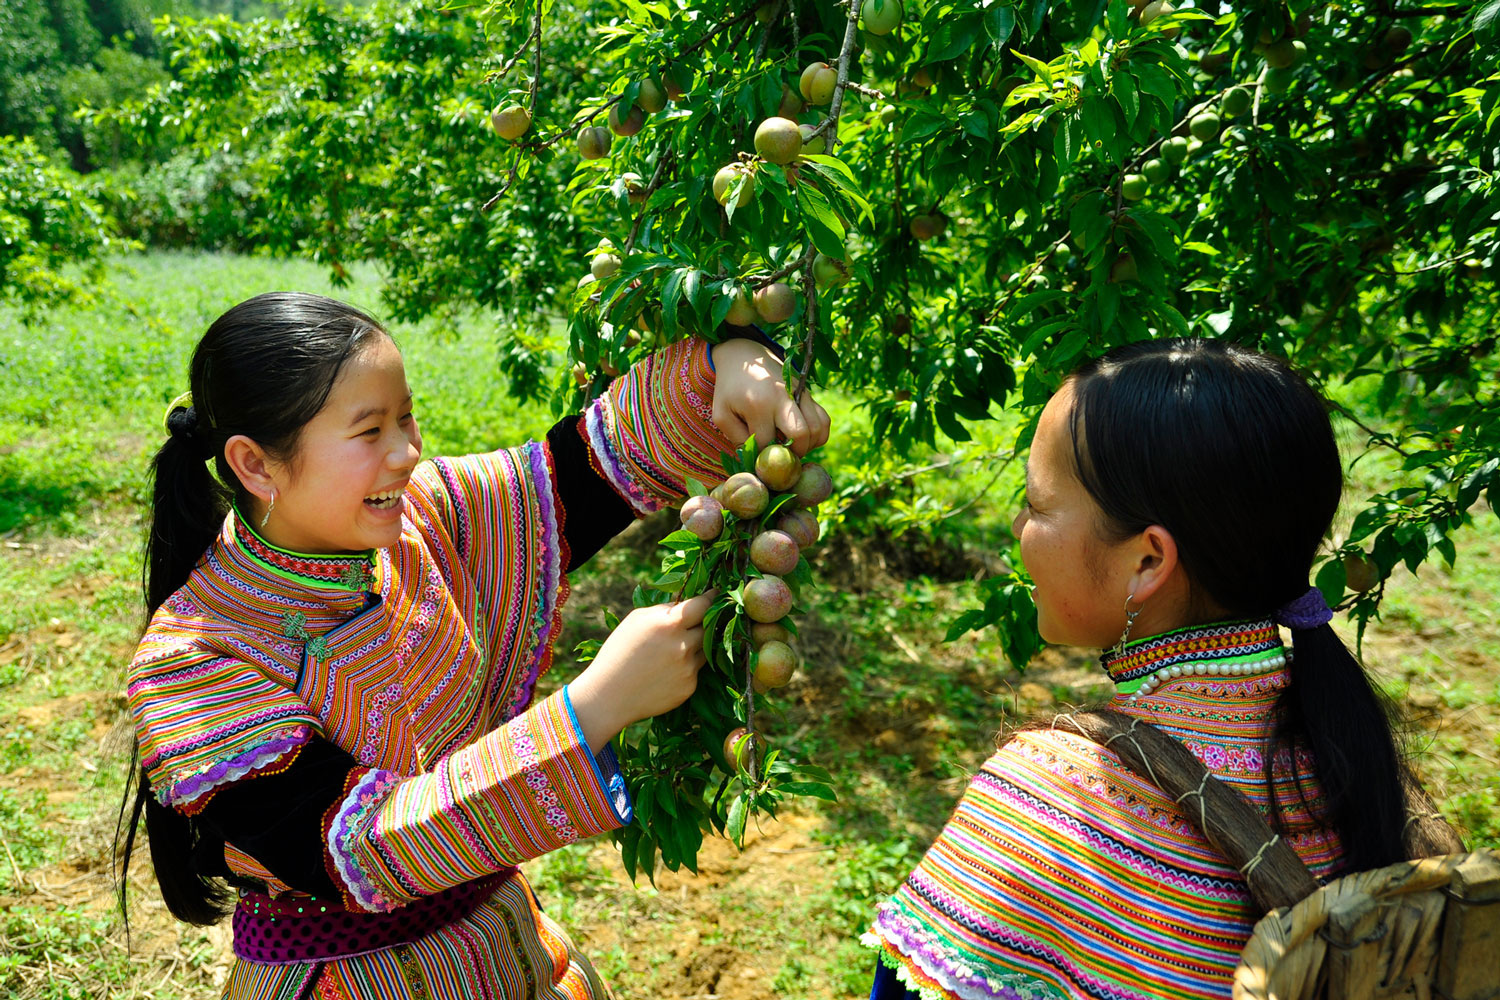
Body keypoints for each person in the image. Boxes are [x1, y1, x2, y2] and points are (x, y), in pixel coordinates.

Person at [119, 291, 830, 999]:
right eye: (369, 432)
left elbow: (589, 469)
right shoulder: (194, 663)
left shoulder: (425, 516)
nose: (407, 451)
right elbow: (349, 851)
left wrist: (720, 366)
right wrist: (588, 714)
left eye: (406, 417)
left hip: (505, 948)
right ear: (255, 463)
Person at [863, 338, 1460, 1000]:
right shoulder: (1352, 761)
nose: (1016, 525)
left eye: (1035, 504)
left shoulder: (1054, 801)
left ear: (1147, 561)